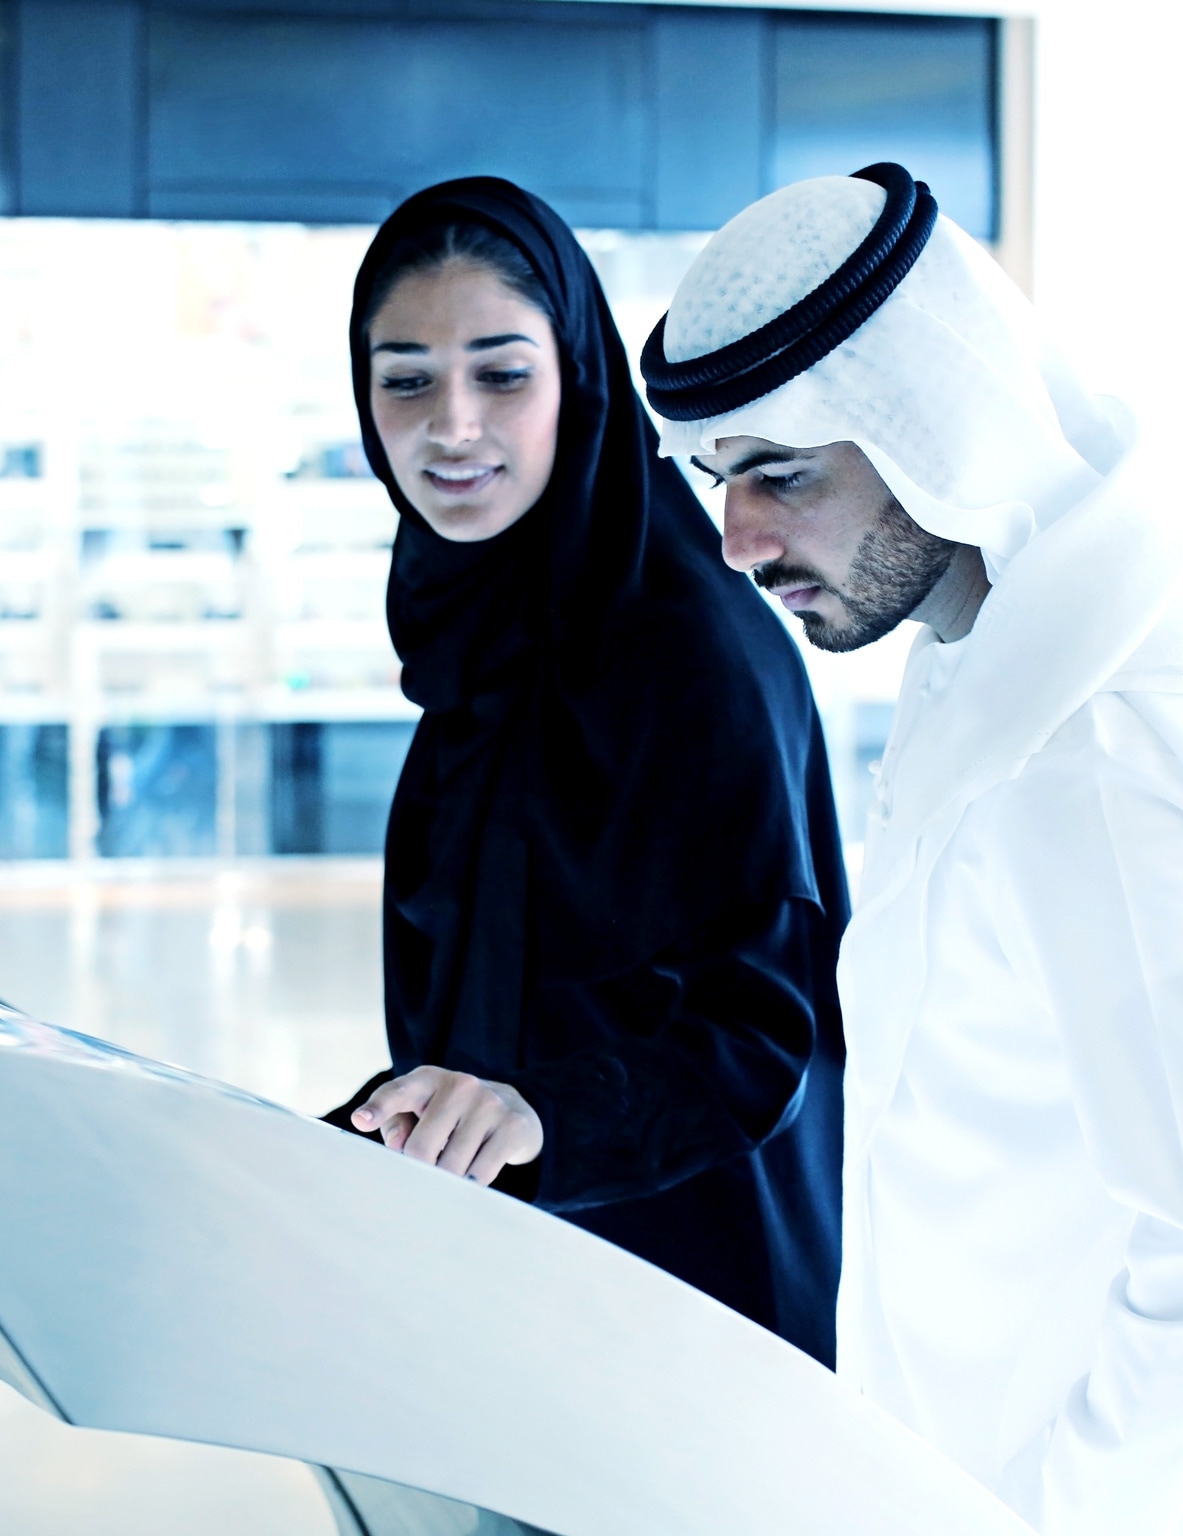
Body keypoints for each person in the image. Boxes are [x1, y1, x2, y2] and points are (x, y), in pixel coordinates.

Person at [642, 161, 1183, 1534]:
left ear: (937, 432)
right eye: (715, 480)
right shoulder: (995, 636)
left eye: (780, 475)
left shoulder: (1094, 748)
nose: (734, 542)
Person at [325, 176, 850, 1366]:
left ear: (577, 378)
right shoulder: (476, 635)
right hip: (526, 1279)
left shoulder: (687, 646)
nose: (450, 426)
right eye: (405, 378)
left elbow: (768, 1031)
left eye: (502, 374)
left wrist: (546, 1113)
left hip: (697, 1308)